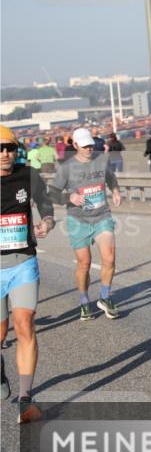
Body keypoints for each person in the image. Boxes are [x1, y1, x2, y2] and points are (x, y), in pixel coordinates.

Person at [0, 125, 55, 422]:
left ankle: (25, 400)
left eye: (9, 148)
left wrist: (47, 222)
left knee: (25, 325)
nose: (5, 154)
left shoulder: (28, 175)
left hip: (23, 261)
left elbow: (46, 204)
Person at [50, 128, 122, 321]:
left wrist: (115, 191)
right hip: (78, 220)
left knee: (109, 258)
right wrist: (69, 197)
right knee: (85, 263)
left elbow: (111, 178)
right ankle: (84, 301)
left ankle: (105, 298)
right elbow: (53, 193)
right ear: (75, 145)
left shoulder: (101, 161)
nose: (89, 149)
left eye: (90, 145)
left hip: (102, 216)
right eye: (84, 146)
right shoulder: (66, 167)